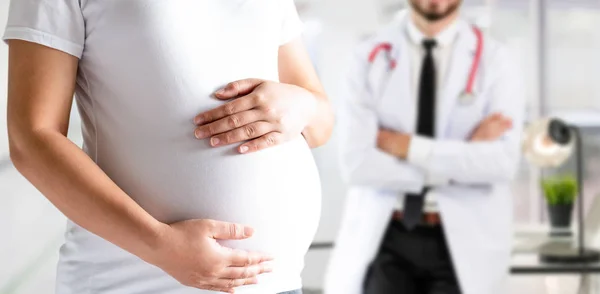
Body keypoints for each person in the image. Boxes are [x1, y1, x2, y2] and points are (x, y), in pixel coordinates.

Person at [4, 0, 333, 293]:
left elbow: (321, 122)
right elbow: (32, 138)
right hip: (133, 281)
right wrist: (160, 245)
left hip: (278, 283)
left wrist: (302, 106)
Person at [324, 1, 525, 294]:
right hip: (388, 236)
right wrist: (464, 153)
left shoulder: (496, 60)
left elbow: (501, 163)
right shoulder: (368, 57)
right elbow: (357, 165)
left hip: (462, 239)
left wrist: (409, 148)